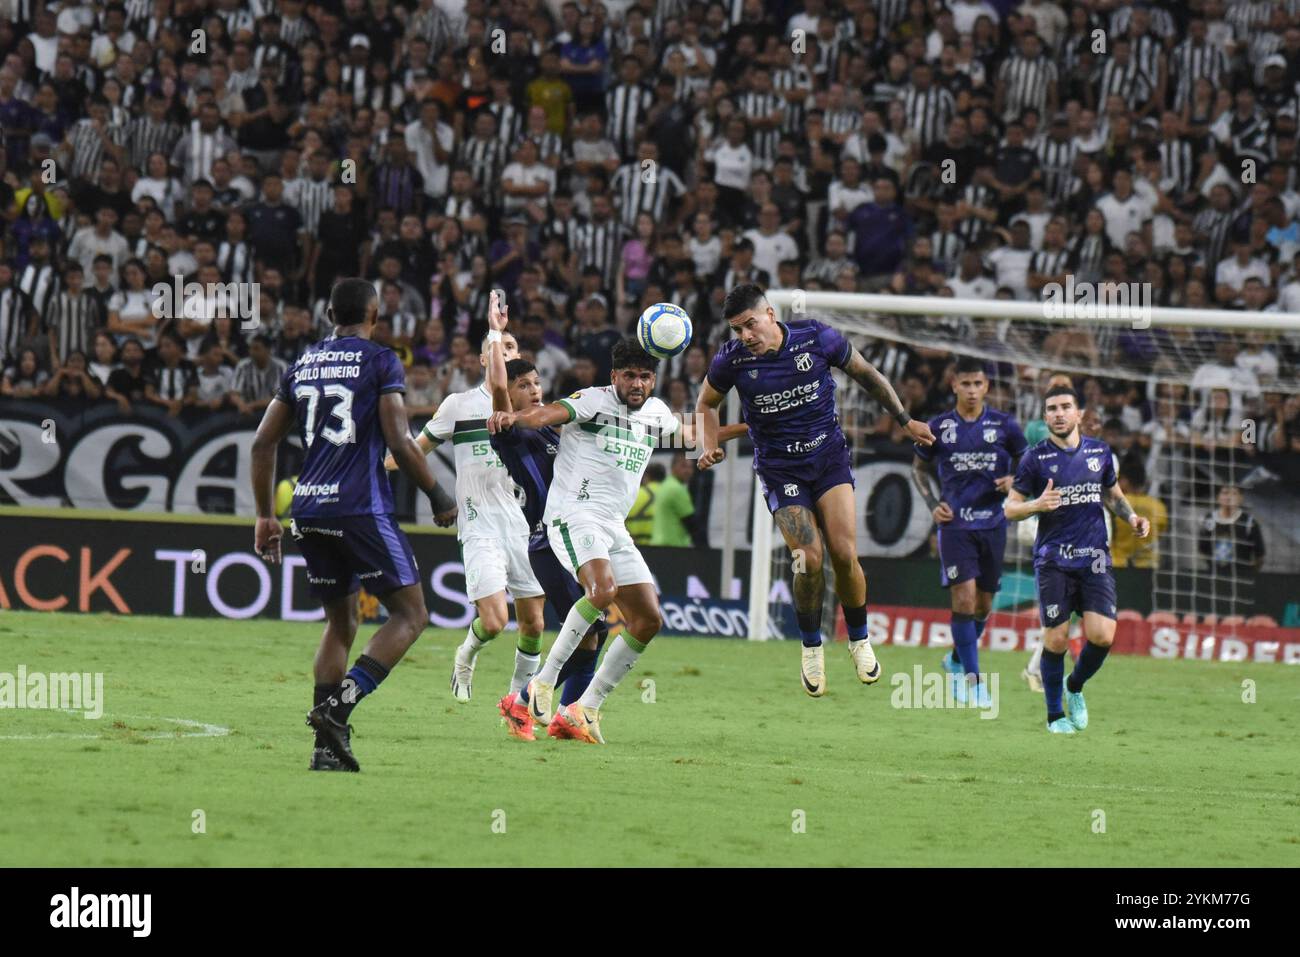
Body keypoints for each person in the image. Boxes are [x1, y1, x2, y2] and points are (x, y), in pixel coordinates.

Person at [249, 278, 456, 772]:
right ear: (375, 315)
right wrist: (438, 494)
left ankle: (325, 753)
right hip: (360, 507)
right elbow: (401, 442)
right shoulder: (381, 360)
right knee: (411, 616)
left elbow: (262, 443)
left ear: (326, 314)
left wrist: (263, 515)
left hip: (308, 509)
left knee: (340, 623)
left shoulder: (300, 365)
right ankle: (336, 709)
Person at [695, 283, 936, 697]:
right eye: (737, 330)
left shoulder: (817, 337)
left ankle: (859, 640)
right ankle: (811, 647)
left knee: (844, 554)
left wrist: (904, 420)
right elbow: (705, 405)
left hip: (828, 460)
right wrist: (709, 444)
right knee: (808, 558)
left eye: (750, 325)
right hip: (779, 468)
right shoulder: (731, 360)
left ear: (770, 314)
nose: (745, 336)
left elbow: (867, 375)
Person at [486, 340, 682, 743]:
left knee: (630, 623)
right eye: (629, 375)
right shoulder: (572, 409)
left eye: (645, 376)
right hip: (563, 525)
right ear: (614, 377)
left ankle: (576, 712)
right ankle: (535, 690)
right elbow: (540, 414)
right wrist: (512, 413)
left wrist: (755, 428)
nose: (638, 383)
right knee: (598, 602)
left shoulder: (646, 416)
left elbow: (695, 432)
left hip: (607, 527)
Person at [385, 295, 546, 704]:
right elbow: (414, 449)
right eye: (500, 348)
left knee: (534, 624)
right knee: (493, 622)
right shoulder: (458, 406)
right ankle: (466, 654)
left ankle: (517, 703)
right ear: (484, 358)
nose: (508, 353)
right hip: (479, 524)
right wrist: (374, 465)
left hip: (523, 525)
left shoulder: (531, 407)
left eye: (513, 349)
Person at [1004, 385, 1150, 734]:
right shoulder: (1034, 458)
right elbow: (1010, 508)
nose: (1058, 413)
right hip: (1054, 561)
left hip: (1094, 558)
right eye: (1051, 408)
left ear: (1078, 414)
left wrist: (1131, 518)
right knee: (1055, 640)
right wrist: (1036, 506)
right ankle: (1055, 716)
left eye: (1065, 406)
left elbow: (1112, 496)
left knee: (1102, 635)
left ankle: (1075, 686)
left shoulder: (1100, 452)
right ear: (1045, 417)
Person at [910, 356, 1027, 706]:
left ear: (986, 386)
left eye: (978, 384)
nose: (972, 391)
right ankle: (974, 682)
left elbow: (1028, 464)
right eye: (966, 384)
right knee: (963, 599)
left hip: (993, 523)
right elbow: (917, 468)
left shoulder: (1005, 426)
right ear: (954, 386)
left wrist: (1016, 482)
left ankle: (956, 660)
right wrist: (933, 503)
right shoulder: (940, 426)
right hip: (956, 525)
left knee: (984, 603)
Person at [1197, 484, 1265, 617]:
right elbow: (1202, 549)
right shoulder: (1209, 520)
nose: (1229, 497)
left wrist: (1249, 573)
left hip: (1241, 581)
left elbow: (1260, 556)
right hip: (1215, 580)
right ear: (1218, 497)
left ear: (1241, 498)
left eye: (1234, 494)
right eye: (1225, 493)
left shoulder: (1249, 523)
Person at [651, 452, 702, 547]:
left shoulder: (666, 485)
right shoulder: (676, 489)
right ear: (673, 468)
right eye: (683, 466)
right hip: (672, 547)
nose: (688, 471)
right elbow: (691, 524)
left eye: (690, 467)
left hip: (658, 544)